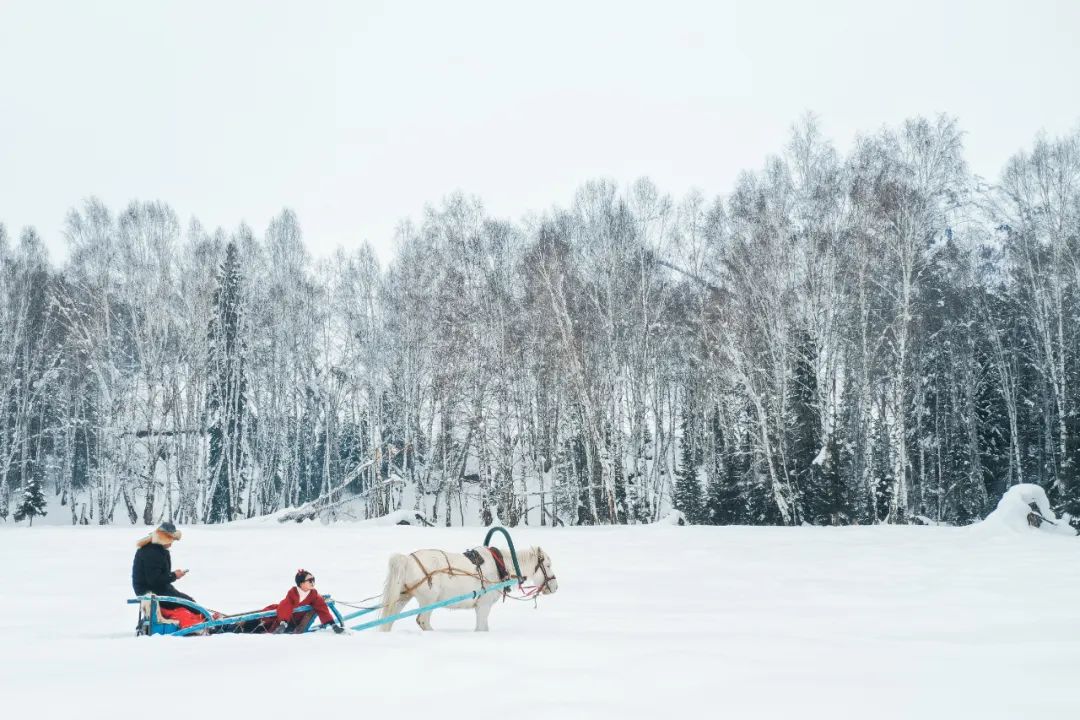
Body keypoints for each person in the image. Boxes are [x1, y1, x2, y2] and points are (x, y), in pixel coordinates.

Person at [131, 521, 194, 604]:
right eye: (171, 540)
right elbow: (154, 580)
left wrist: (173, 575)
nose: (171, 543)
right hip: (152, 593)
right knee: (190, 604)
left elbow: (155, 576)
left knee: (190, 602)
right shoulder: (153, 552)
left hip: (155, 590)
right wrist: (174, 575)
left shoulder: (153, 549)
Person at [265, 569, 344, 634]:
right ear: (301, 583)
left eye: (313, 580)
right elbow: (285, 606)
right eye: (310, 580)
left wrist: (333, 624)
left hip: (296, 623)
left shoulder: (314, 595)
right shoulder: (292, 594)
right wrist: (283, 623)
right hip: (281, 620)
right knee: (263, 622)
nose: (312, 582)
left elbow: (322, 608)